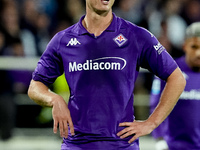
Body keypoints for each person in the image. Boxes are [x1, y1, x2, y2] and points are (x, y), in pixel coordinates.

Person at [27, 0, 186, 149]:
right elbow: (35, 86)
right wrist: (54, 99)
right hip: (77, 143)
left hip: (122, 144)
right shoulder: (63, 40)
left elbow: (177, 78)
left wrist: (152, 123)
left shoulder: (136, 36)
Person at [150, 22, 200, 150]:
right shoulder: (169, 71)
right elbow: (155, 105)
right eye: (194, 47)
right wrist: (160, 139)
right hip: (174, 146)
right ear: (185, 46)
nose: (198, 53)